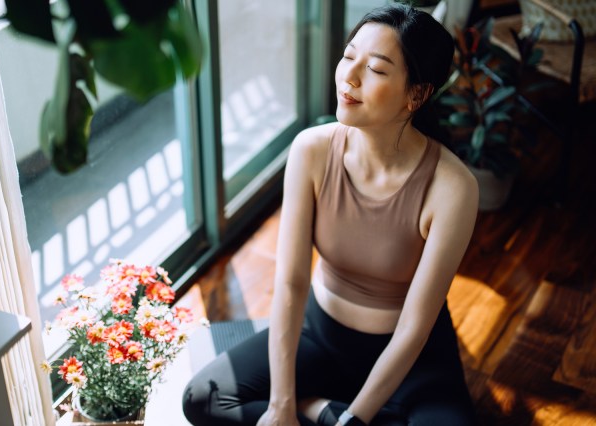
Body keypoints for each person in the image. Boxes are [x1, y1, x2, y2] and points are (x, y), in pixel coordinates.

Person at [182, 4, 478, 425]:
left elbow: (415, 326)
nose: (349, 78)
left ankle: (344, 412)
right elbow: (290, 281)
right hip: (320, 336)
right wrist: (283, 404)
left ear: (417, 94)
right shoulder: (312, 149)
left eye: (375, 69)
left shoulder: (453, 187)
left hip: (413, 360)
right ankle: (317, 409)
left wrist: (356, 419)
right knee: (203, 397)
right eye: (348, 56)